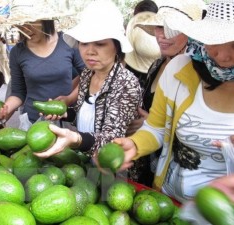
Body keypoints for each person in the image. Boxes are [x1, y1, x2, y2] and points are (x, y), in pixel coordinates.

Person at [114, 0, 234, 203]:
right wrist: (135, 145)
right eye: (214, 41)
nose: (222, 55)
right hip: (169, 201)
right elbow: (157, 128)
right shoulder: (178, 70)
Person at [31, 0, 142, 159]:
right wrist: (65, 114)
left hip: (114, 168)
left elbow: (112, 141)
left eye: (100, 44)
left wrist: (76, 139)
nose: (90, 51)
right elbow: (86, 116)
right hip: (86, 161)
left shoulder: (126, 84)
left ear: (116, 46)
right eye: (84, 43)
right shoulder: (87, 75)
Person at [125, 0, 205, 187]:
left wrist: (154, 124)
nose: (162, 35)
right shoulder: (157, 66)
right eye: (159, 27)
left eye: (171, 29)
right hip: (151, 162)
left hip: (186, 174)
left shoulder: (203, 75)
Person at [0, 0, 85, 125]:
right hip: (33, 121)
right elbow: (18, 92)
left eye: (31, 21)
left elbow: (88, 75)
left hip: (67, 118)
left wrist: (69, 99)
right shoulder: (17, 52)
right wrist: (5, 109)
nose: (25, 28)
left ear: (45, 19)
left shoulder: (68, 42)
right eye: (20, 23)